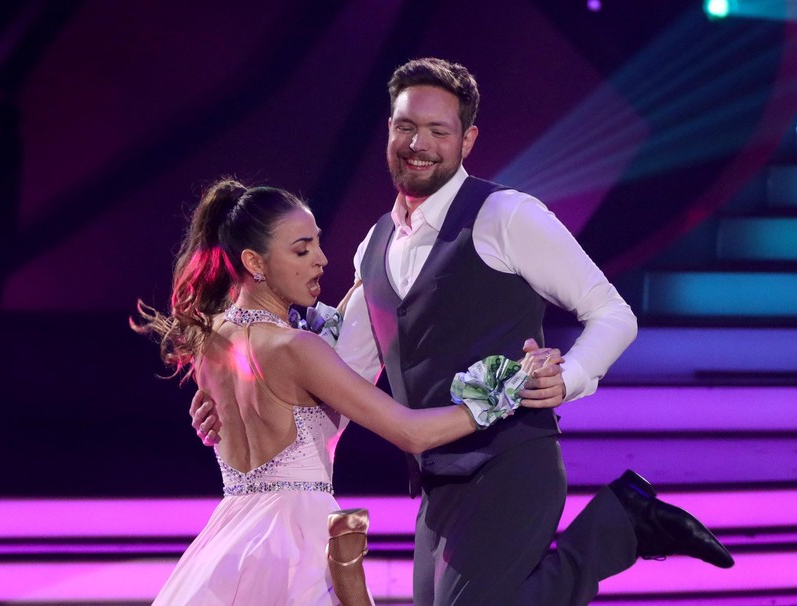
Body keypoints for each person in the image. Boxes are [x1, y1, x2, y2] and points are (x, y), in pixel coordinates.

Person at [191, 58, 734, 605]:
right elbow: (342, 377)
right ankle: (627, 520)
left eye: (438, 130)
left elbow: (612, 312)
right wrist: (248, 404)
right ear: (389, 130)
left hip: (511, 463)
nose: (418, 143)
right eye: (405, 127)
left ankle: (619, 529)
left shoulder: (506, 216)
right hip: (435, 483)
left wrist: (568, 378)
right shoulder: (374, 245)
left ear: (467, 139)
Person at [133, 178, 543, 605]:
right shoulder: (294, 348)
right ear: (255, 261)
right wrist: (504, 389)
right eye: (302, 249)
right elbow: (411, 433)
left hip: (232, 543)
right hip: (299, 545)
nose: (321, 260)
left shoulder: (208, 342)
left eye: (317, 244)